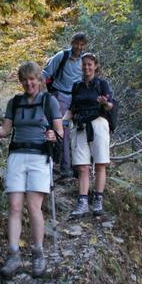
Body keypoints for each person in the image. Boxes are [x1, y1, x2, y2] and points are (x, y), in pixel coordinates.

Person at [0, 61, 63, 279]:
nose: (29, 83)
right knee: (14, 206)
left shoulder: (49, 101)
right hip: (17, 156)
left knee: (34, 207)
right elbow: (5, 131)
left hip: (39, 158)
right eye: (25, 79)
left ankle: (38, 253)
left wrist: (54, 136)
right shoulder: (14, 102)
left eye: (32, 79)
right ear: (21, 81)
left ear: (39, 80)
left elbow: (59, 131)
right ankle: (14, 254)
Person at [63, 52, 114, 217]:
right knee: (82, 166)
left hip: (98, 124)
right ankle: (83, 202)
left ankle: (98, 200)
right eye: (84, 64)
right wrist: (61, 121)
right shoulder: (76, 86)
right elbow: (72, 108)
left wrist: (104, 103)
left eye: (89, 64)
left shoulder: (102, 84)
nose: (86, 67)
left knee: (100, 163)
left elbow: (110, 106)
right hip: (80, 126)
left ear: (95, 66)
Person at [42, 32, 88, 178]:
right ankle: (64, 168)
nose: (79, 47)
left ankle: (77, 168)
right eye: (76, 43)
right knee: (63, 131)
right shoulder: (61, 56)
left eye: (82, 44)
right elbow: (45, 74)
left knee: (80, 132)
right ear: (71, 42)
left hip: (77, 100)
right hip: (59, 97)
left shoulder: (84, 61)